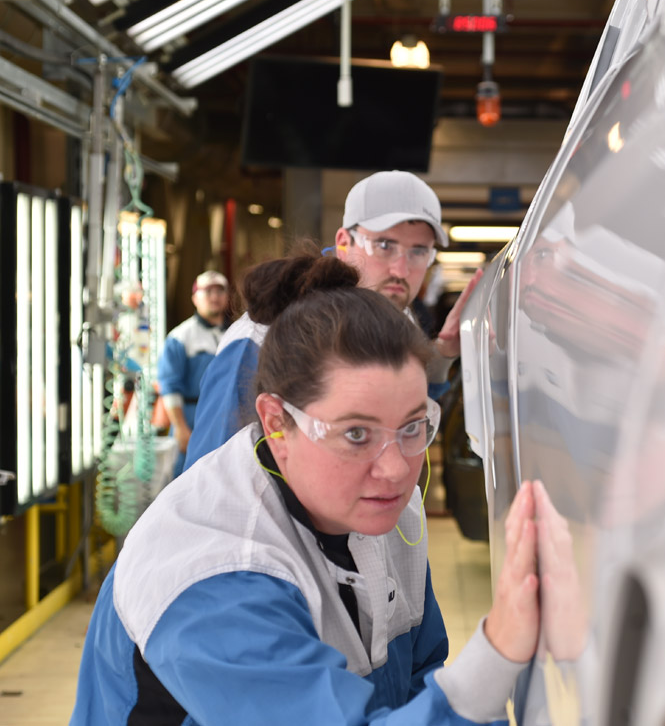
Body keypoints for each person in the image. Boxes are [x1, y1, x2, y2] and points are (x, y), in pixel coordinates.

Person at [72, 256, 539, 725]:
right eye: (356, 434)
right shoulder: (216, 572)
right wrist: (497, 652)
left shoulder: (383, 512)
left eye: (414, 426)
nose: (397, 470)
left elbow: (420, 678)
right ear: (277, 423)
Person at [183, 170, 480, 473]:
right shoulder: (264, 335)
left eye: (419, 251)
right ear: (343, 243)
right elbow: (207, 474)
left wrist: (444, 350)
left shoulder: (397, 318)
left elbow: (401, 411)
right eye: (384, 245)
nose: (401, 270)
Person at [156, 270, 229, 477]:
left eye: (220, 291)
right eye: (208, 291)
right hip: (192, 420)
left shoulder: (235, 334)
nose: (214, 297)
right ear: (195, 298)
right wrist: (181, 428)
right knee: (187, 479)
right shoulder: (180, 337)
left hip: (226, 418)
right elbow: (169, 387)